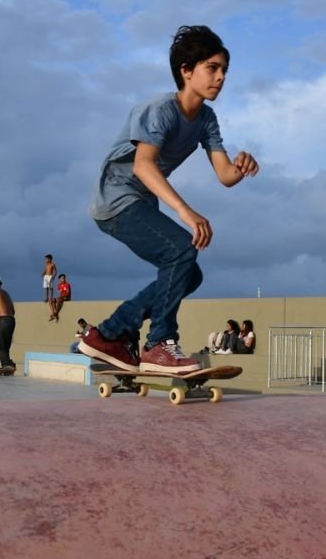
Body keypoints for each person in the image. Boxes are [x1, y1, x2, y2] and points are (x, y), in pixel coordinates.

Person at [78, 25, 259, 374]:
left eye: (224, 71)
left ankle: (109, 334)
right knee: (180, 250)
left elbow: (224, 176)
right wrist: (186, 213)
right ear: (186, 70)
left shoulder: (206, 118)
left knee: (188, 275)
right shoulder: (159, 110)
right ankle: (159, 344)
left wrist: (241, 165)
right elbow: (144, 166)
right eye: (212, 68)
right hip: (115, 201)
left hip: (141, 204)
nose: (220, 78)